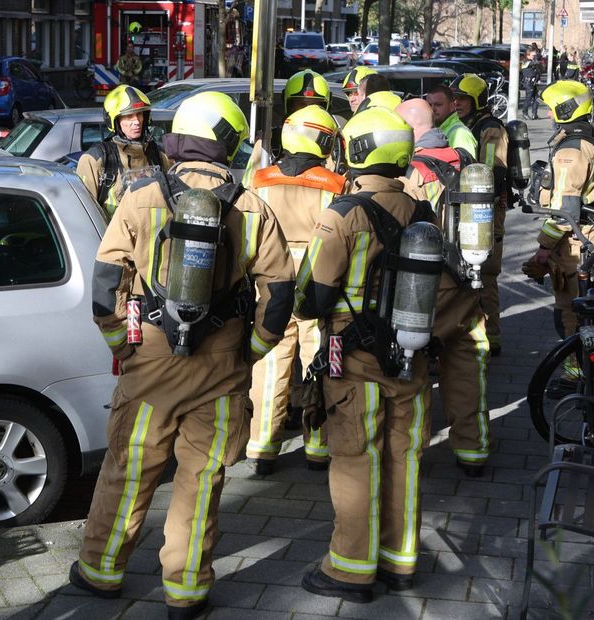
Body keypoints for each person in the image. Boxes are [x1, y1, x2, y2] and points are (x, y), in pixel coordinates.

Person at [71, 91, 295, 619]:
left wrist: (121, 345)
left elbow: (107, 285)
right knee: (202, 479)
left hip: (149, 364)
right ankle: (187, 590)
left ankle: (102, 572)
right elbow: (280, 291)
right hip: (221, 370)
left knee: (129, 470)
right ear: (231, 143)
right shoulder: (251, 204)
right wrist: (252, 352)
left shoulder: (143, 194)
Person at [294, 107, 434, 602]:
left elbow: (311, 297)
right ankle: (401, 561)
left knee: (356, 458)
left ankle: (351, 569)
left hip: (353, 363)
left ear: (357, 150)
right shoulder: (423, 213)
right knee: (404, 456)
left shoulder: (344, 213)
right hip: (411, 357)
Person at [246, 105, 345, 475]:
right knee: (318, 362)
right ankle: (317, 447)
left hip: (269, 282)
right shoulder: (335, 184)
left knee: (270, 364)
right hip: (316, 283)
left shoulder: (259, 179)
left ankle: (262, 448)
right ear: (324, 141)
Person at [397, 98, 492, 476]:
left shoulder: (411, 170)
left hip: (421, 284)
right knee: (466, 361)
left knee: (413, 363)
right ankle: (473, 450)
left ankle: (410, 450)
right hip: (465, 280)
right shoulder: (466, 163)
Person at [527, 80, 594, 359]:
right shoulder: (586, 140)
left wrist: (544, 248)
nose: (548, 115)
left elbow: (565, 208)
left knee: (569, 314)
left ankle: (576, 374)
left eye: (552, 109)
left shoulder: (571, 151)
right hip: (581, 237)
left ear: (567, 109)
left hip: (573, 241)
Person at [451, 74, 510, 357]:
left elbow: (491, 173)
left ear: (477, 100)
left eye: (462, 99)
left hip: (487, 210)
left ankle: (493, 338)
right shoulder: (466, 126)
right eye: (455, 99)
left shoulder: (491, 129)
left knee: (485, 273)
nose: (457, 103)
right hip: (470, 207)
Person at [77, 85, 169, 217]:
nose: (136, 121)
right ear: (115, 121)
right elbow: (83, 214)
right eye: (129, 116)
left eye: (140, 114)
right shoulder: (95, 159)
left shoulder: (158, 155)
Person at [424, 84, 478, 163]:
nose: (433, 109)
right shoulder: (437, 129)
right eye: (429, 105)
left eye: (438, 105)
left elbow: (466, 171)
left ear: (452, 106)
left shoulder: (461, 134)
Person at [521, 49, 544, 120]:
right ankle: (525, 113)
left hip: (533, 83)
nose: (534, 57)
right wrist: (538, 61)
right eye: (533, 55)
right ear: (528, 55)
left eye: (535, 55)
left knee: (537, 98)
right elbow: (535, 63)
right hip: (528, 83)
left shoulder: (531, 62)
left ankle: (534, 114)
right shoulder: (525, 62)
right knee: (528, 99)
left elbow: (539, 70)